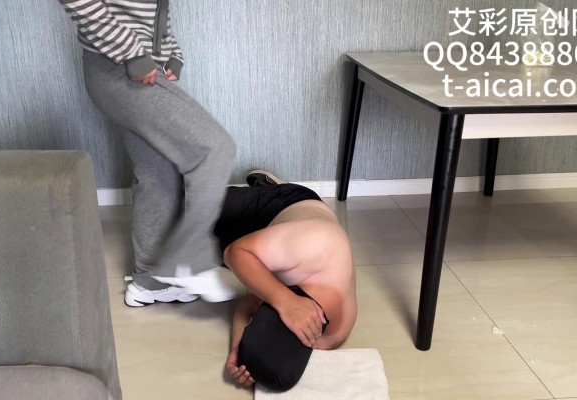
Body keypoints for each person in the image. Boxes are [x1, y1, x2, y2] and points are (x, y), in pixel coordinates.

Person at [57, 0, 237, 304]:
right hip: (117, 67)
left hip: (141, 68)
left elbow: (157, 15)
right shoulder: (126, 57)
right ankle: (188, 261)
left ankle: (150, 281)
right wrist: (132, 53)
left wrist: (172, 54)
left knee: (157, 173)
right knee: (215, 148)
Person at [206, 170, 358, 391]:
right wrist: (284, 300)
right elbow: (235, 253)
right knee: (190, 206)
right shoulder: (316, 244)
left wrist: (239, 348)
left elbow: (249, 304)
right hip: (283, 206)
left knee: (194, 242)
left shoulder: (325, 338)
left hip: (272, 246)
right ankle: (270, 187)